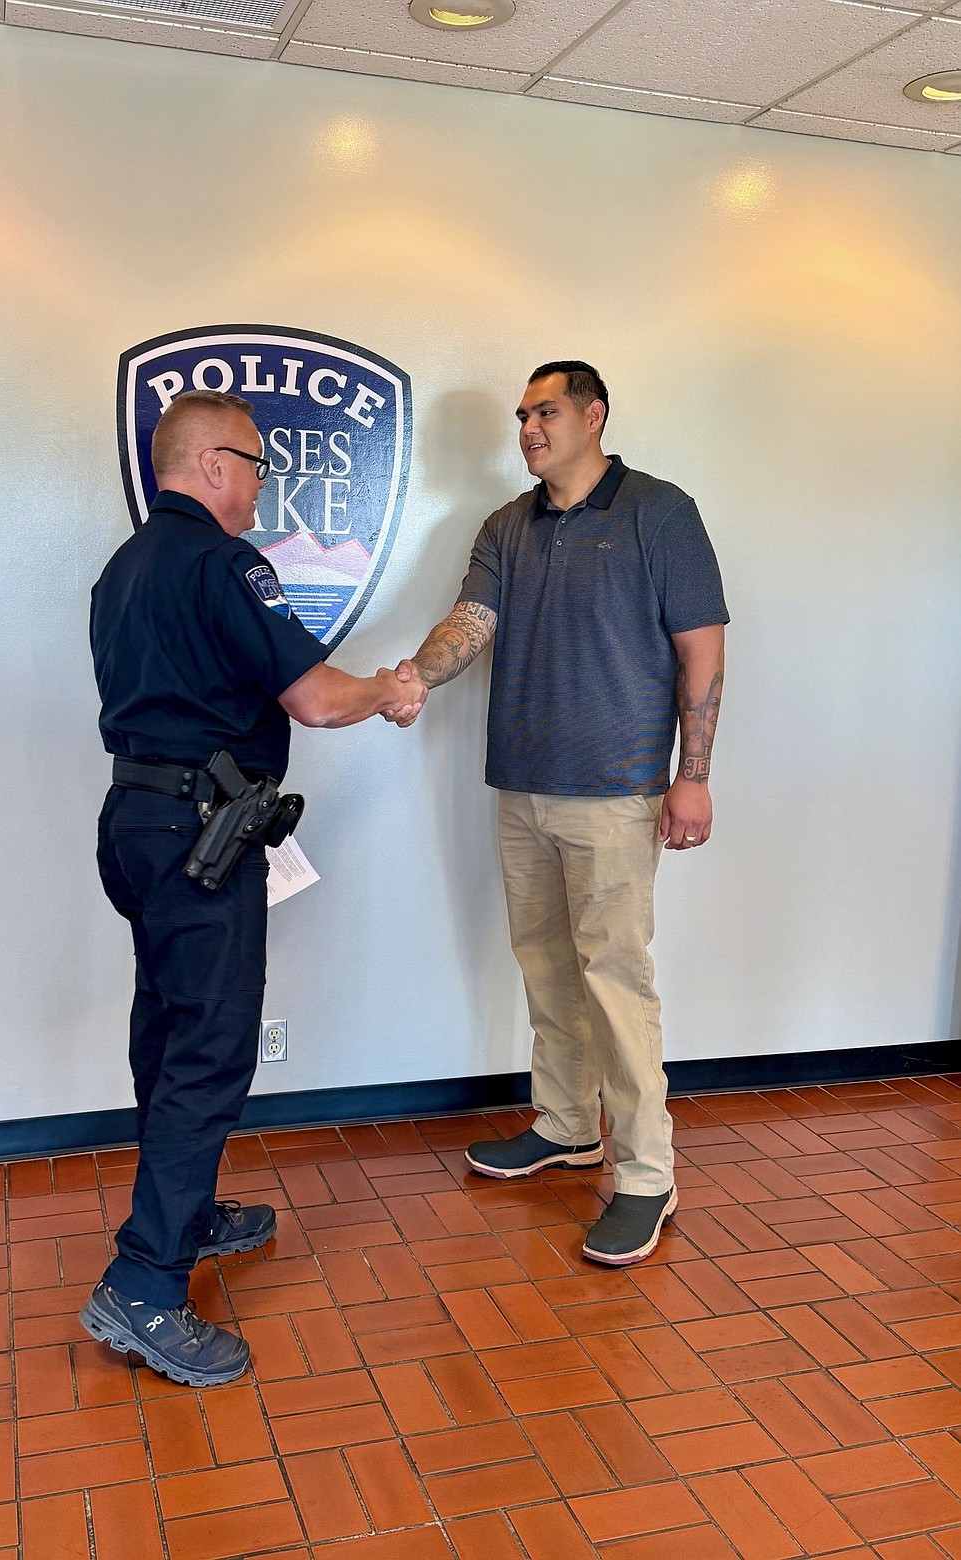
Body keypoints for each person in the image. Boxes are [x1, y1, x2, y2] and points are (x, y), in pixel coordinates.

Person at [80, 388, 425, 1386]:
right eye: (259, 468)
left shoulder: (125, 567)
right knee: (211, 1049)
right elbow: (316, 700)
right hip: (203, 833)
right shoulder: (228, 564)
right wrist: (389, 690)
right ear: (215, 464)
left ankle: (182, 1214)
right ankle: (145, 1285)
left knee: (166, 1024)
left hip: (138, 826)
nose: (261, 490)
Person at [393, 361, 727, 1266]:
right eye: (522, 415)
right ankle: (568, 1125)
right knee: (545, 963)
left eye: (545, 411)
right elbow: (472, 620)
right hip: (524, 786)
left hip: (618, 790)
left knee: (616, 979)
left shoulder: (660, 512)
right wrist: (412, 677)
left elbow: (701, 648)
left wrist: (692, 775)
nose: (529, 427)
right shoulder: (508, 524)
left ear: (594, 414)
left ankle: (646, 1176)